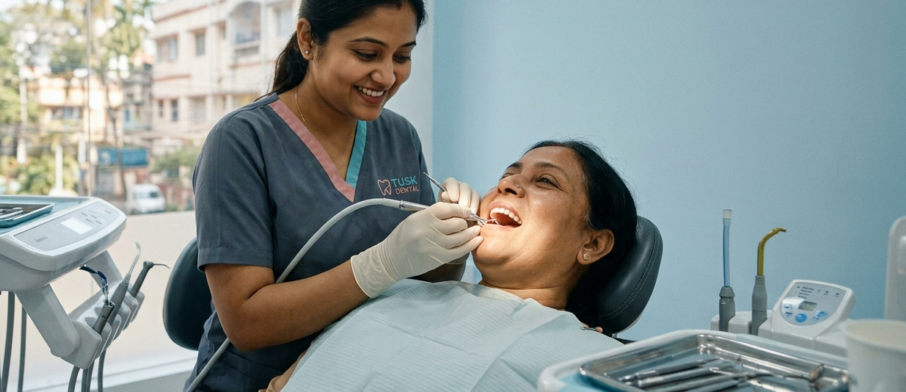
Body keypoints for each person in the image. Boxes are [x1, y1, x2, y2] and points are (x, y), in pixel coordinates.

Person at [188, 0, 485, 391]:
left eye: (402, 56)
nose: (386, 76)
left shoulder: (399, 135)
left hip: (360, 374)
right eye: (367, 53)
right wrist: (380, 264)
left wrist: (453, 241)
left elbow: (429, 281)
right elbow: (247, 324)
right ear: (308, 40)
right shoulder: (241, 142)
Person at [260, 140, 639, 391]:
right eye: (507, 175)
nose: (507, 186)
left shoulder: (588, 361)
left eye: (545, 181)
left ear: (592, 243)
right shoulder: (398, 291)